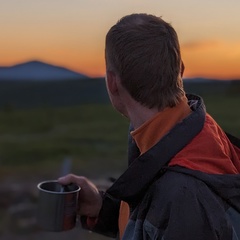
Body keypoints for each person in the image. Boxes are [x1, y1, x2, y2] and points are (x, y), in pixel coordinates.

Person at [58, 13, 240, 239]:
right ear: (180, 71)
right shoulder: (191, 131)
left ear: (112, 82)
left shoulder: (183, 195)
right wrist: (102, 208)